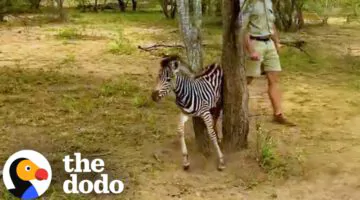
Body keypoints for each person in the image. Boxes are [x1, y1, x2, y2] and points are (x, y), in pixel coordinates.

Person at [242, 0, 295, 126]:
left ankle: (278, 114)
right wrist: (251, 50)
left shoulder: (268, 2)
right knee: (246, 80)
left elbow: (272, 25)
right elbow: (243, 29)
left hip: (269, 43)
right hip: (255, 43)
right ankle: (232, 109)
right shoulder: (248, 4)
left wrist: (277, 42)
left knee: (274, 79)